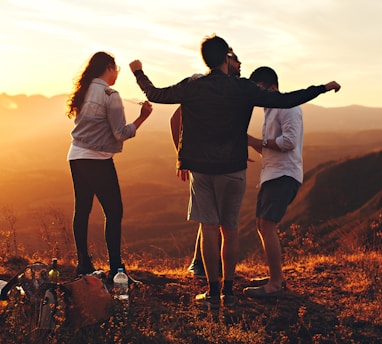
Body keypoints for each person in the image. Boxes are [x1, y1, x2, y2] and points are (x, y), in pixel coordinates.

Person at [129, 34, 340, 308]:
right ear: (226, 58)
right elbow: (287, 100)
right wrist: (321, 87)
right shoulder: (242, 88)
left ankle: (213, 292)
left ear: (206, 59)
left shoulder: (193, 86)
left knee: (209, 228)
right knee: (230, 229)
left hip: (202, 169)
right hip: (233, 167)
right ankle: (229, 291)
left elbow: (156, 94)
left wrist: (138, 73)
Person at [66, 51, 153, 283]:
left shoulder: (84, 91)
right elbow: (120, 133)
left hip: (76, 155)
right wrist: (143, 117)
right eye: (116, 70)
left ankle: (83, 264)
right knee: (114, 212)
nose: (117, 75)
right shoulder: (110, 94)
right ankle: (117, 271)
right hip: (98, 159)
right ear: (109, 67)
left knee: (82, 209)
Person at [170, 48, 242, 279]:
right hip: (204, 162)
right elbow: (175, 118)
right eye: (235, 59)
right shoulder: (202, 85)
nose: (240, 64)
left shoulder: (227, 89)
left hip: (218, 160)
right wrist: (182, 157)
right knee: (210, 219)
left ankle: (206, 267)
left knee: (213, 219)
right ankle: (201, 266)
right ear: (224, 60)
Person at [243, 66, 307, 298]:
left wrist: (258, 141)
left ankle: (275, 284)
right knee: (262, 225)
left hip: (283, 175)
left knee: (267, 226)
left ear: (271, 87)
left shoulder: (287, 106)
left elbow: (289, 142)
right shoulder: (270, 110)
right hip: (272, 174)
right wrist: (251, 143)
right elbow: (271, 147)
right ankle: (274, 275)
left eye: (258, 89)